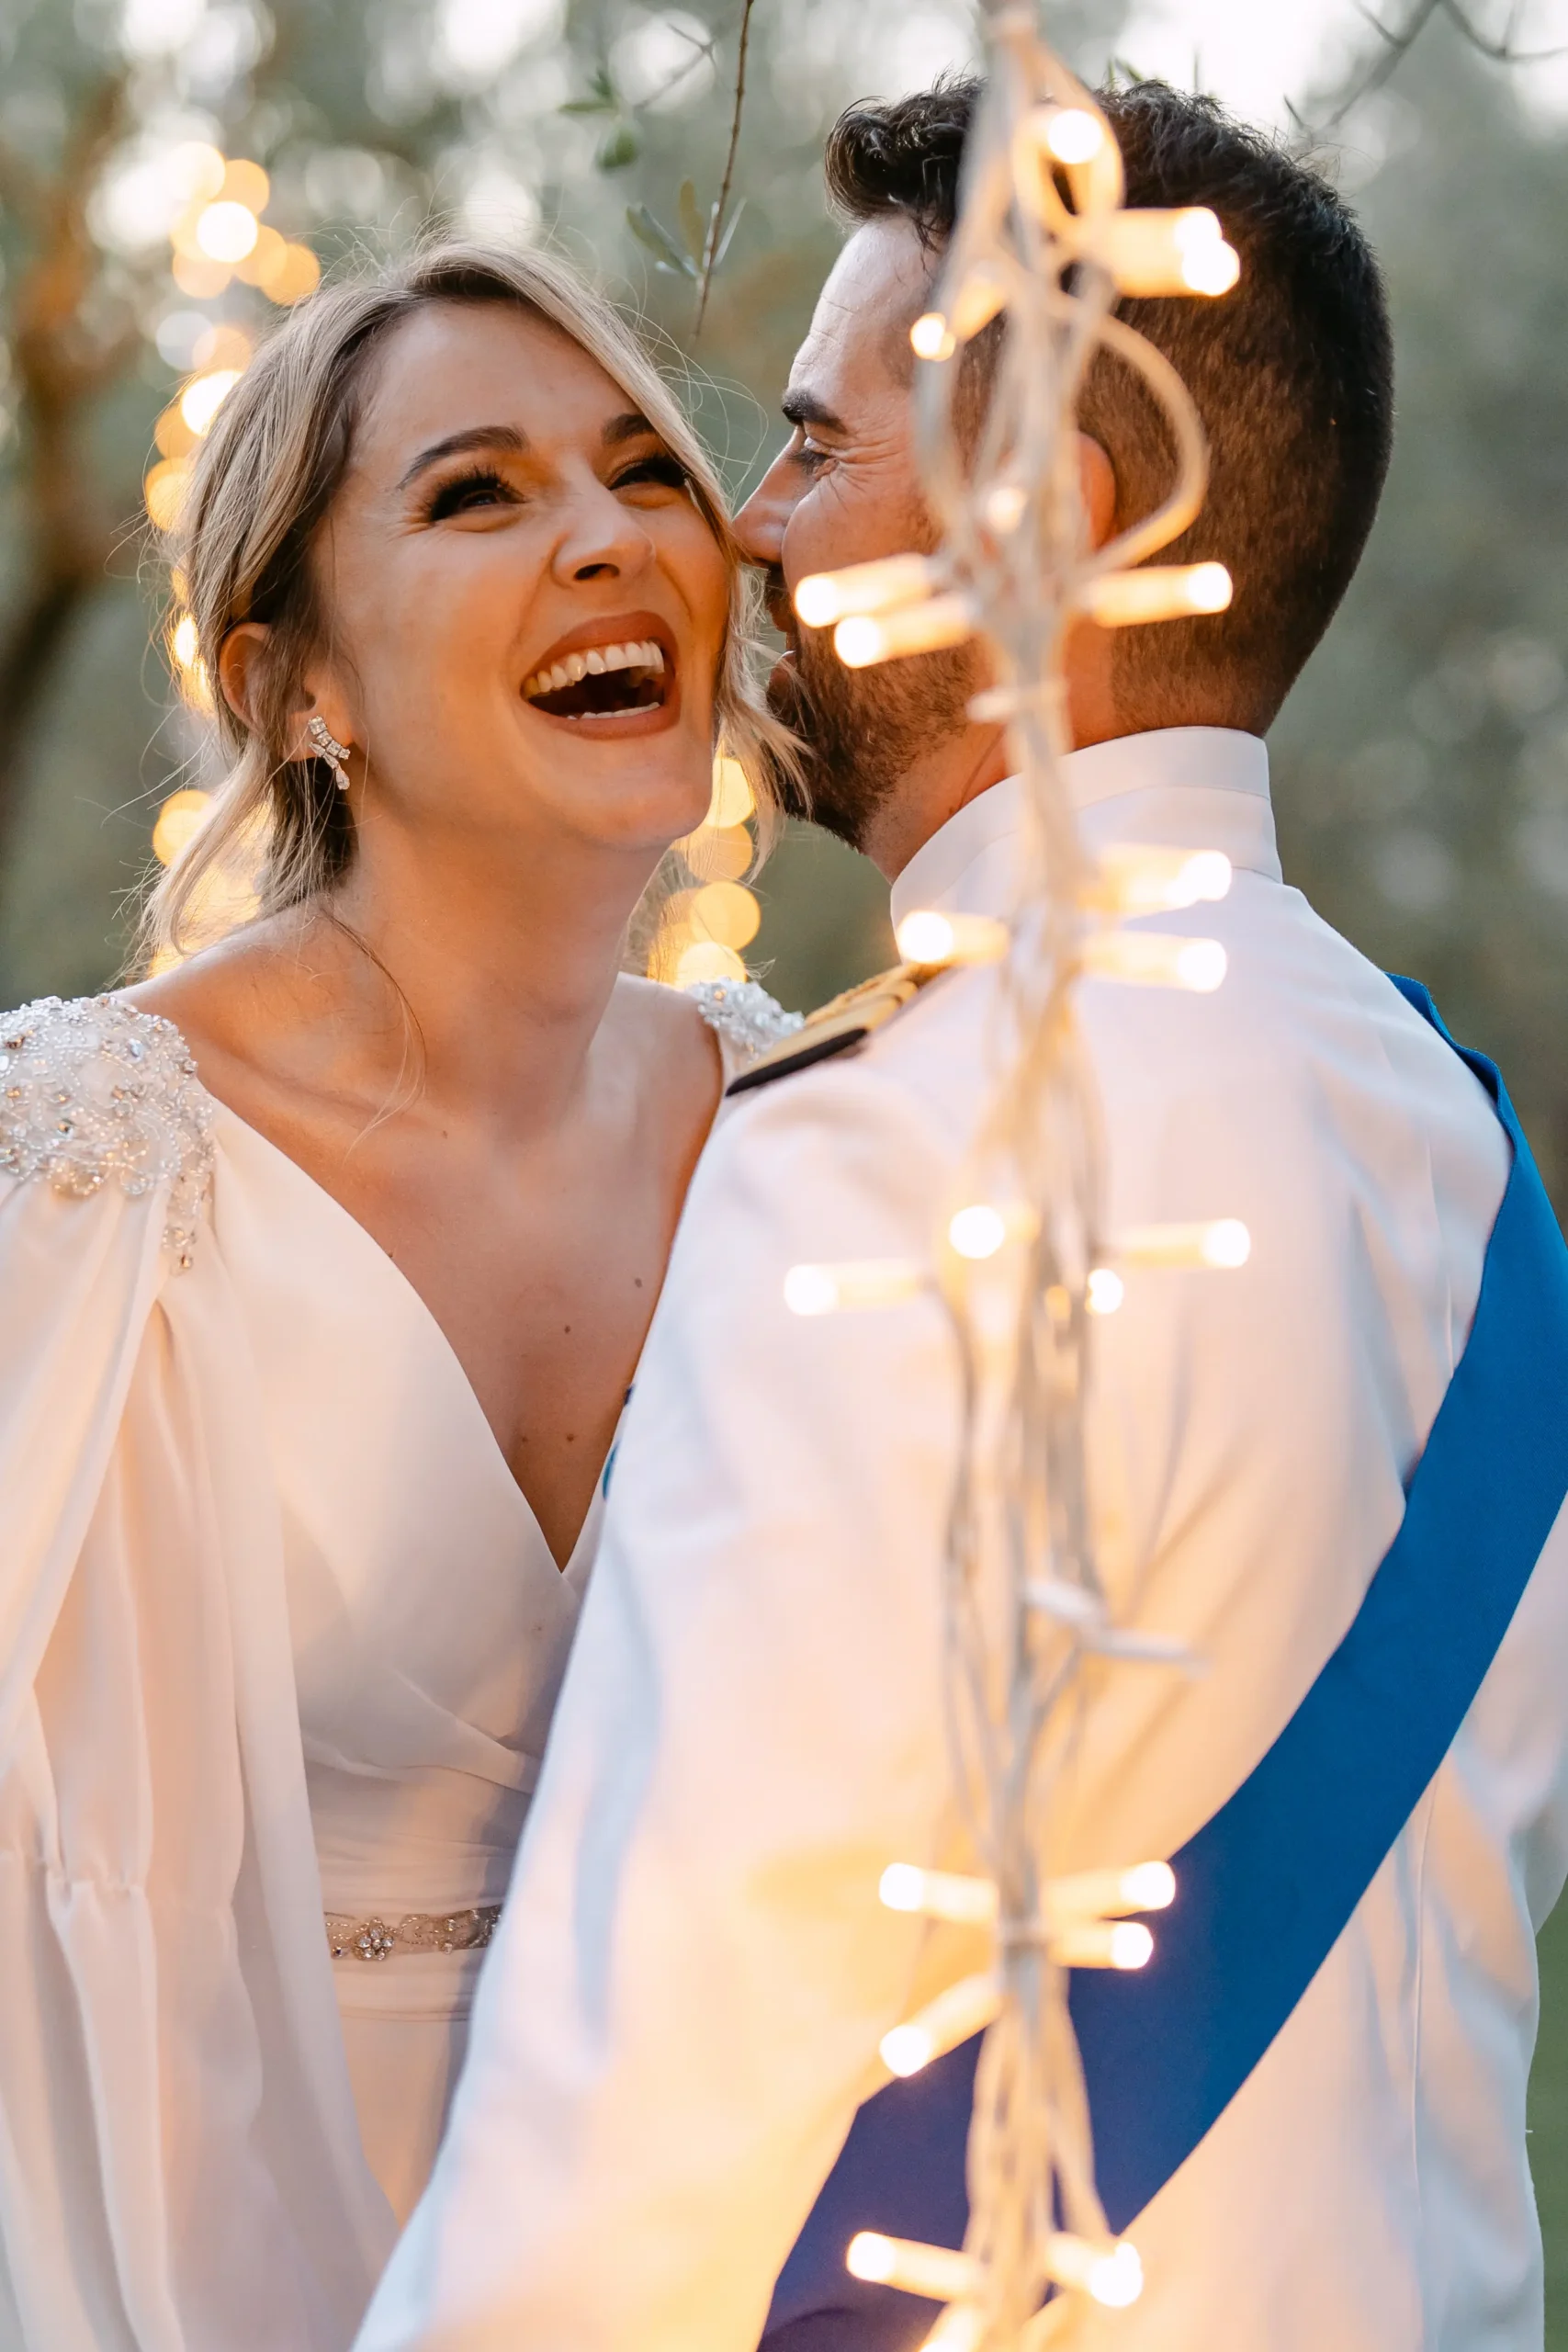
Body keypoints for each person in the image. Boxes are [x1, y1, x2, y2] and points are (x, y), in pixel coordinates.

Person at [355, 79, 1568, 2352]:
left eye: (816, 447)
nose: (745, 518)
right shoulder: (1465, 1155)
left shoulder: (893, 1149)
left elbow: (641, 2130)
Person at [0, 239, 801, 2349]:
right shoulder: (79, 1174)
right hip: (227, 2262)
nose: (610, 537)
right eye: (478, 493)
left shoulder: (810, 1133)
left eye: (645, 471)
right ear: (295, 684)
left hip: (727, 2249)